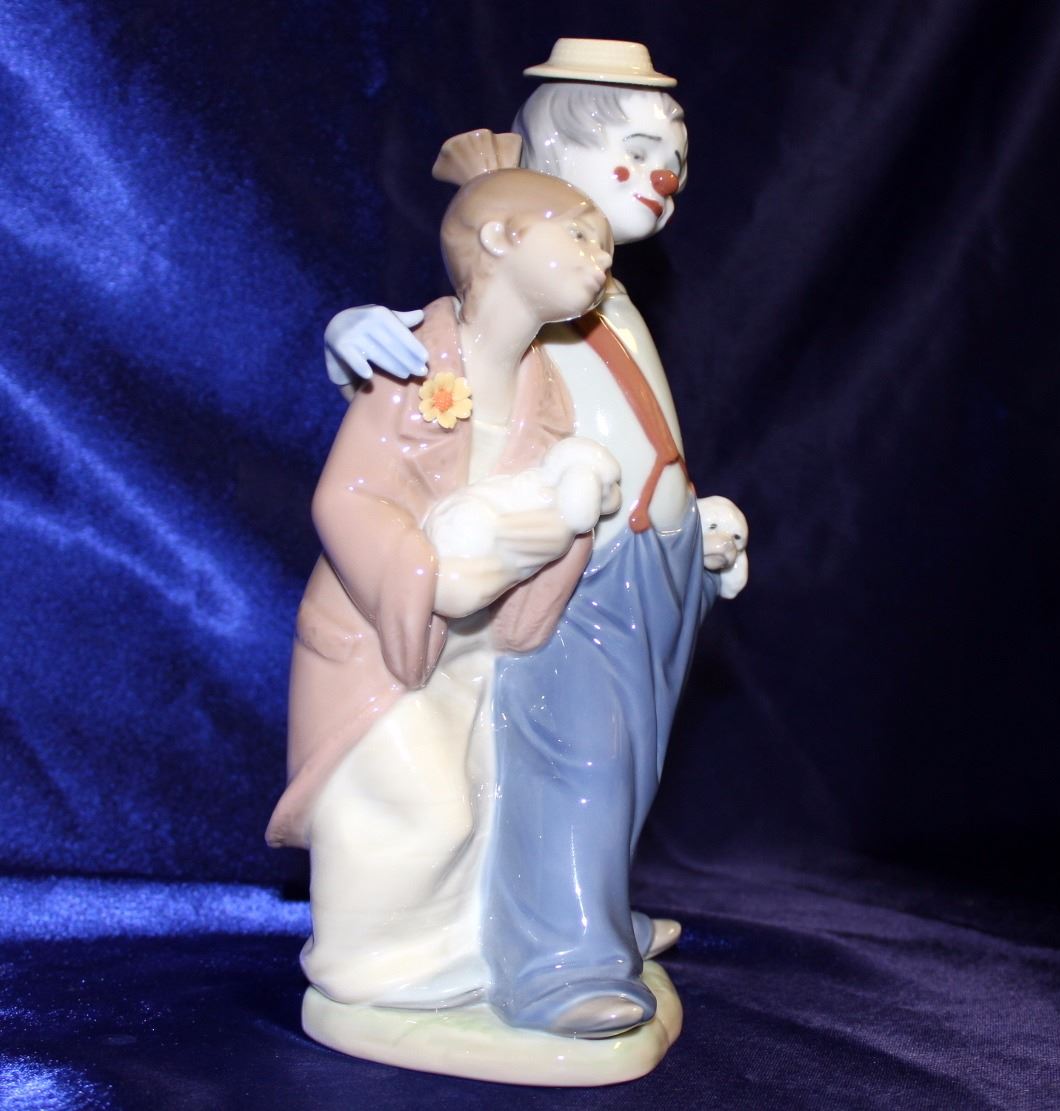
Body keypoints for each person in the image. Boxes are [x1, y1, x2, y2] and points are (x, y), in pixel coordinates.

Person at [322, 40, 749, 1038]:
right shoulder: (530, 296)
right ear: (548, 165)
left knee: (628, 765)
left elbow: (637, 421)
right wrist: (349, 335)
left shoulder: (606, 299)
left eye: (675, 157)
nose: (664, 176)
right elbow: (439, 350)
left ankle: (585, 908)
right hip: (574, 567)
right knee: (574, 755)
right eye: (636, 150)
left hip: (652, 565)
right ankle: (558, 960)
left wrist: (693, 524)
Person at [267, 134, 618, 1011]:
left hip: (470, 656)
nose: (601, 256)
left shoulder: (549, 391)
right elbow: (346, 499)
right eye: (579, 233)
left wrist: (567, 521)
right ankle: (357, 965)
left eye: (603, 242)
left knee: (476, 810)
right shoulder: (410, 360)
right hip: (379, 638)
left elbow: (548, 524)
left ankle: (444, 951)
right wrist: (433, 575)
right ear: (500, 239)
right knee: (414, 805)